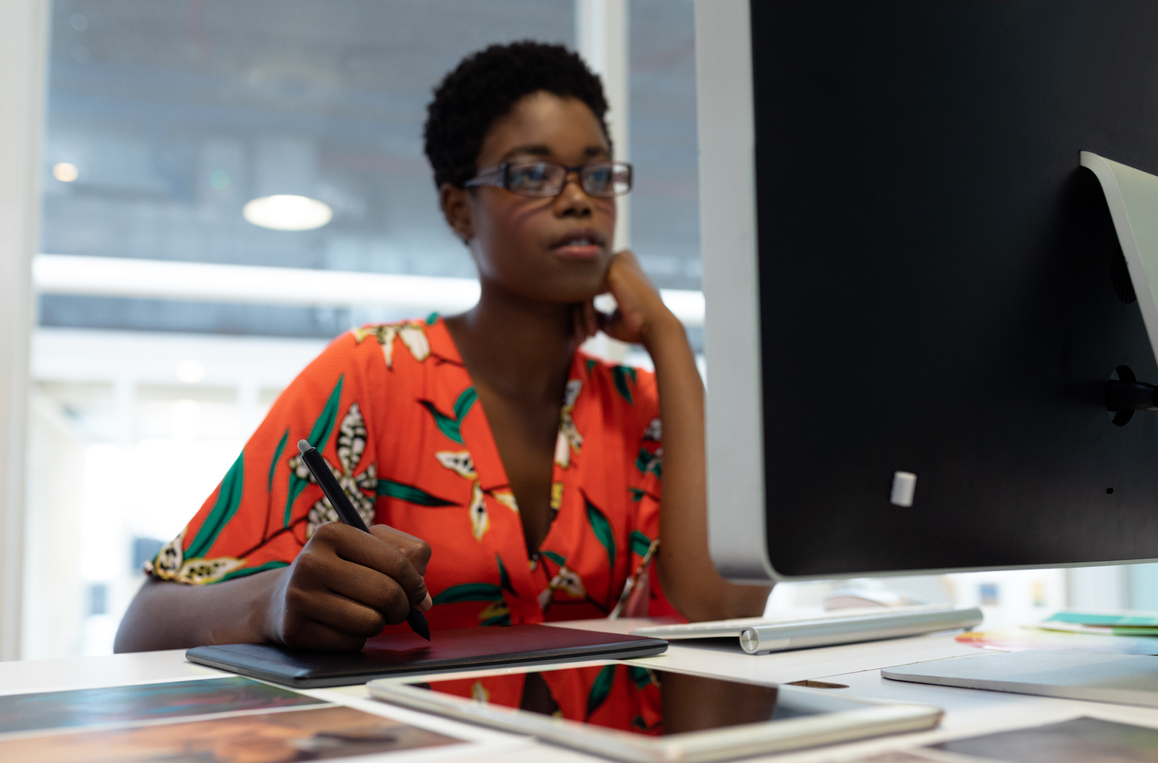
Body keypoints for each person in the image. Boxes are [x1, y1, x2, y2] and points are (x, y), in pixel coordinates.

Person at [114, 41, 770, 655]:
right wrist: (271, 602)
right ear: (459, 210)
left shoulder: (644, 406)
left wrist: (667, 335)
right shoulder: (375, 375)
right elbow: (142, 629)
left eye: (597, 173)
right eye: (535, 173)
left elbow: (722, 609)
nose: (578, 200)